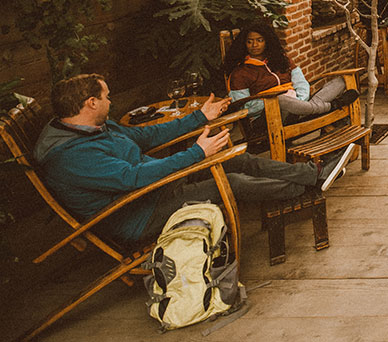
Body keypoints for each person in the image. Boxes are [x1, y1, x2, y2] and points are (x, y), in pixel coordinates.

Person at [35, 74, 351, 247]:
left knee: (235, 158)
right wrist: (196, 154)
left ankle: (313, 172)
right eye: (105, 97)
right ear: (91, 102)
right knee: (229, 182)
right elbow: (133, 178)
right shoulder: (72, 156)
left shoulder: (94, 127)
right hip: (138, 214)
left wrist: (200, 117)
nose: (110, 101)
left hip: (154, 190)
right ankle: (303, 189)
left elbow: (145, 138)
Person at [224, 24, 360, 123]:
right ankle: (331, 106)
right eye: (250, 41)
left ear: (267, 42)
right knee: (281, 100)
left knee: (340, 81)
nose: (254, 45)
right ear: (244, 44)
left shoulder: (281, 60)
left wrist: (299, 101)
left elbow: (301, 83)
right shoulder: (240, 73)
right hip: (269, 117)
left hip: (299, 104)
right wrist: (276, 101)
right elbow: (243, 108)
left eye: (259, 40)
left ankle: (310, 108)